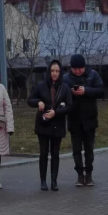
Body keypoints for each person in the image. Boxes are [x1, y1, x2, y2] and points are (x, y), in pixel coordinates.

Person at [28, 59, 72, 191]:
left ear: (61, 72)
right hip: (43, 124)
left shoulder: (65, 87)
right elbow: (30, 100)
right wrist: (38, 103)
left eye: (57, 71)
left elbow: (70, 107)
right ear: (49, 71)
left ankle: (54, 181)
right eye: (52, 70)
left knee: (55, 153)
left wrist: (56, 112)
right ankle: (43, 181)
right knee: (43, 153)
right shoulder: (41, 85)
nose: (54, 73)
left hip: (57, 124)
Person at [62, 53, 104, 186]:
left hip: (90, 118)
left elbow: (101, 91)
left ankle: (89, 173)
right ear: (71, 68)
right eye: (75, 69)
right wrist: (71, 92)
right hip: (74, 118)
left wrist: (86, 91)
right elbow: (61, 93)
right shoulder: (66, 78)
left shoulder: (93, 75)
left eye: (80, 68)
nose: (78, 71)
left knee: (89, 149)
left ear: (84, 66)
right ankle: (80, 174)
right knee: (76, 150)